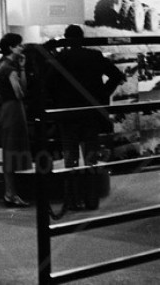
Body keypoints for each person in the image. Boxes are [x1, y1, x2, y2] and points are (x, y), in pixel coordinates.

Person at [46, 24, 124, 210]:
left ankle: (73, 200)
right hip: (90, 112)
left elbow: (48, 83)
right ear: (82, 38)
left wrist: (58, 100)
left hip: (67, 113)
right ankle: (91, 200)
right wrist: (102, 94)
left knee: (70, 158)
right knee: (91, 158)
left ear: (66, 39)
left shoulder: (61, 58)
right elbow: (116, 75)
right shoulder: (95, 56)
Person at [0, 33, 31, 208]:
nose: (22, 48)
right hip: (13, 109)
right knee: (12, 149)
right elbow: (20, 92)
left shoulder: (3, 66)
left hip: (8, 109)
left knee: (10, 149)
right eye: (19, 45)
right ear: (11, 47)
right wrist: (22, 70)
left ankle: (11, 192)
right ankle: (10, 193)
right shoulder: (9, 69)